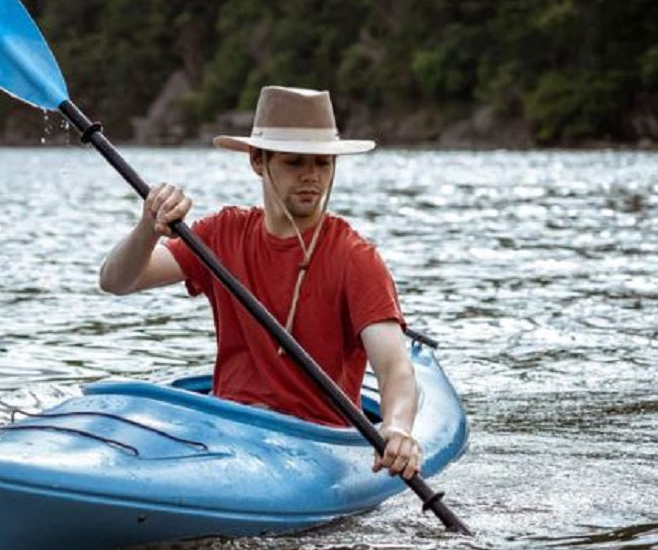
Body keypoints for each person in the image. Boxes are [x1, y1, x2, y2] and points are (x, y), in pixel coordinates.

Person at [99, 85, 421, 479]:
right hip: (226, 429)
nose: (311, 177)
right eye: (294, 162)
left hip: (313, 444)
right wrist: (149, 228)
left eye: (322, 164)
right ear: (257, 161)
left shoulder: (356, 257)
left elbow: (394, 368)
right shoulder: (221, 234)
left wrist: (399, 428)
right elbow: (116, 281)